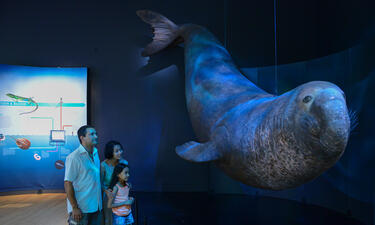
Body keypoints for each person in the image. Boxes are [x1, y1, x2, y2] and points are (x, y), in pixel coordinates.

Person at [64, 125, 102, 225]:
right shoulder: (73, 157)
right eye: (92, 134)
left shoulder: (95, 152)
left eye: (96, 134)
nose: (96, 136)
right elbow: (68, 183)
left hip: (96, 207)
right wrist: (74, 208)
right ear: (82, 137)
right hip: (81, 209)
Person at [101, 140, 129, 225]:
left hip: (121, 195)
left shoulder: (124, 163)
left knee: (121, 217)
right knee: (109, 219)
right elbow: (100, 183)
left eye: (120, 150)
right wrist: (106, 191)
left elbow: (125, 178)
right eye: (116, 151)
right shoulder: (103, 165)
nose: (120, 152)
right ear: (110, 152)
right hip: (109, 195)